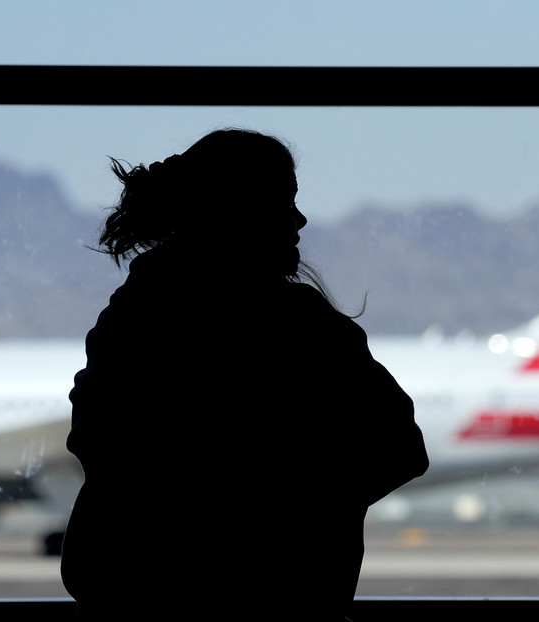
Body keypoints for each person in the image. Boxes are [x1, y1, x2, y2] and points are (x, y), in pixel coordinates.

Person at [60, 128, 429, 619]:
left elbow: (107, 452)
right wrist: (303, 521)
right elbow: (399, 449)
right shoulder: (300, 329)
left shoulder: (129, 322)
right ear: (233, 210)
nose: (298, 219)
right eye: (282, 200)